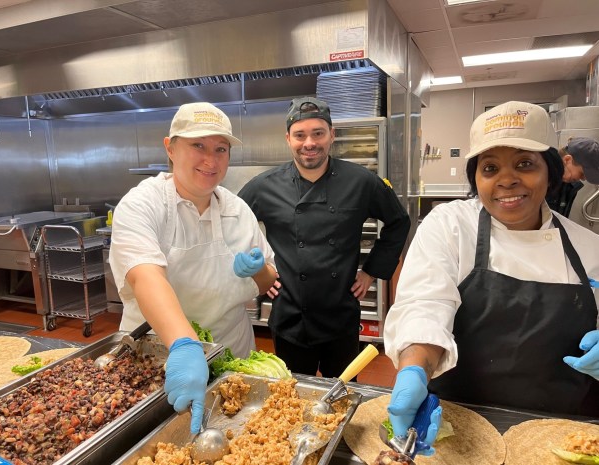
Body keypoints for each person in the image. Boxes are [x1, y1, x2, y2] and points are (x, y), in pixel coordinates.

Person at [384, 101, 599, 454]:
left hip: (556, 434)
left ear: (551, 171)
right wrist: (414, 372)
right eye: (490, 167)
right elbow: (426, 304)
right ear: (476, 178)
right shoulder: (451, 225)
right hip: (454, 426)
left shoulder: (589, 249)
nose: (507, 179)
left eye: (524, 163)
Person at [109, 102, 277, 433]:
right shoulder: (143, 203)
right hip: (160, 359)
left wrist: (256, 270)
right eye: (197, 145)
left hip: (232, 356)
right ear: (170, 148)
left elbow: (268, 281)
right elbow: (145, 275)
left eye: (221, 149)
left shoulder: (238, 210)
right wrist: (185, 346)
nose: (210, 160)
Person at [238, 96, 411, 378]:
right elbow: (233, 225)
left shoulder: (361, 181)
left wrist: (370, 272)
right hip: (291, 316)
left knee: (342, 394)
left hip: (340, 316)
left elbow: (398, 221)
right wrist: (262, 273)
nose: (310, 143)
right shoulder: (264, 186)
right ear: (288, 139)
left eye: (318, 133)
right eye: (300, 135)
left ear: (332, 135)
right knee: (292, 398)